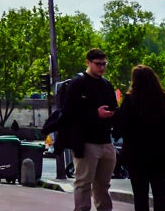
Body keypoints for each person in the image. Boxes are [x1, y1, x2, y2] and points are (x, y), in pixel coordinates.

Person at [52, 49, 120, 211]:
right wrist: (95, 113)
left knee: (103, 184)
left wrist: (113, 113)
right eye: (98, 64)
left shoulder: (106, 84)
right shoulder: (78, 83)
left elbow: (114, 106)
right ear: (88, 63)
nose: (102, 68)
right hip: (85, 141)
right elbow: (69, 112)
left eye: (104, 64)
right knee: (83, 182)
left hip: (105, 140)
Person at [114, 66, 165, 211]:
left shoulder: (130, 100)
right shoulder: (164, 99)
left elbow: (120, 127)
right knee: (160, 194)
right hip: (160, 153)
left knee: (140, 196)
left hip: (136, 154)